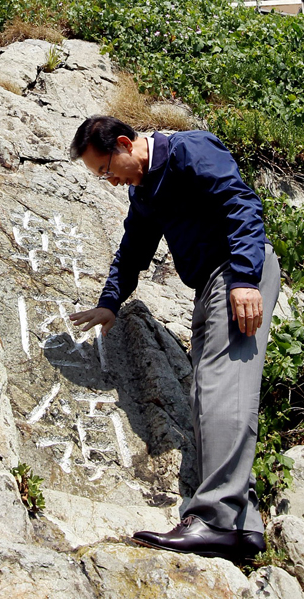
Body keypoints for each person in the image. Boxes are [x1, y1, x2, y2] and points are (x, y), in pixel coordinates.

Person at [68, 116, 280, 561]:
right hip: (209, 284)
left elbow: (241, 204)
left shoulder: (189, 150)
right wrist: (110, 300)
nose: (108, 181)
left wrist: (244, 278)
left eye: (106, 170)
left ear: (125, 144)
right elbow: (134, 247)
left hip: (238, 272)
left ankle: (215, 519)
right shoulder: (144, 190)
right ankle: (242, 525)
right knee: (210, 395)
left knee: (224, 390)